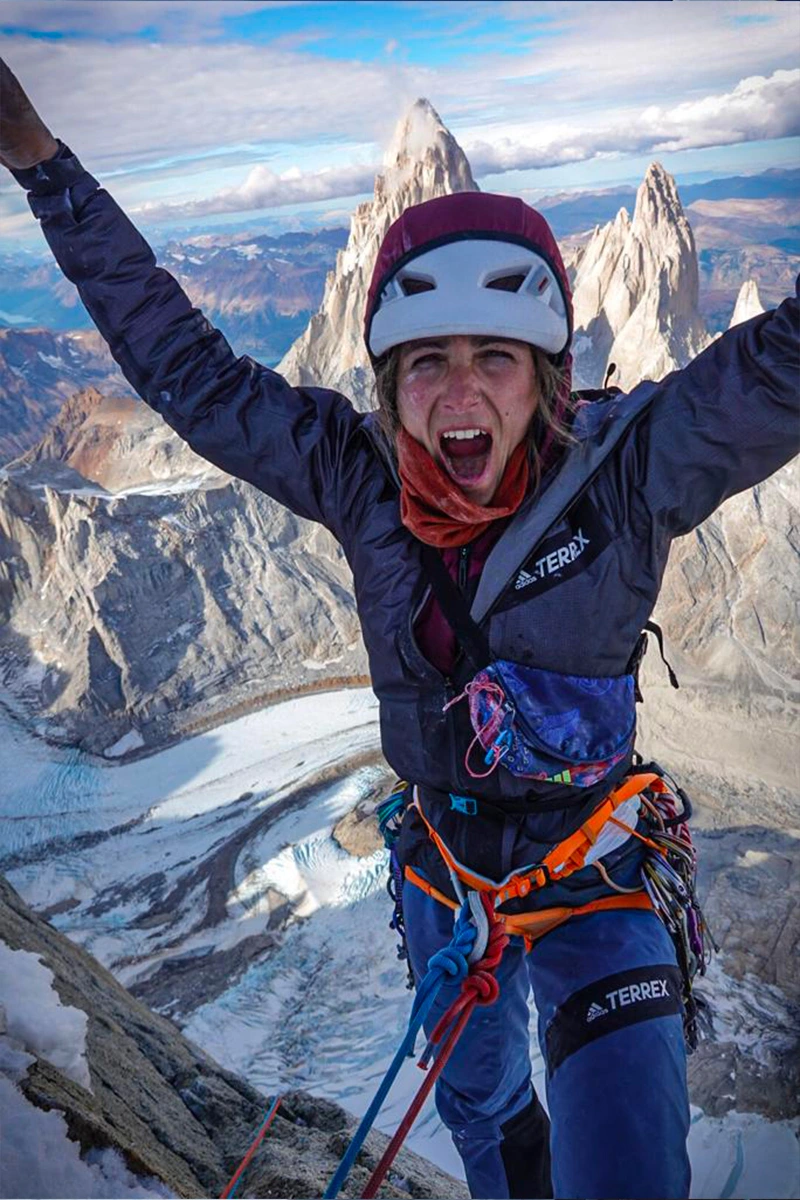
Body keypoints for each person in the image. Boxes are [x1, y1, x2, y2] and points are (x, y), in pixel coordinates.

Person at [2, 60, 798, 1200]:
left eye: (494, 359)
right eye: (427, 363)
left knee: (624, 1162)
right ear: (386, 383)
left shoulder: (629, 473)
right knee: (481, 1113)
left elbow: (777, 370)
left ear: (545, 378)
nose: (460, 396)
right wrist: (42, 165)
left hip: (598, 871)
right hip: (445, 867)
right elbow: (182, 369)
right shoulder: (354, 472)